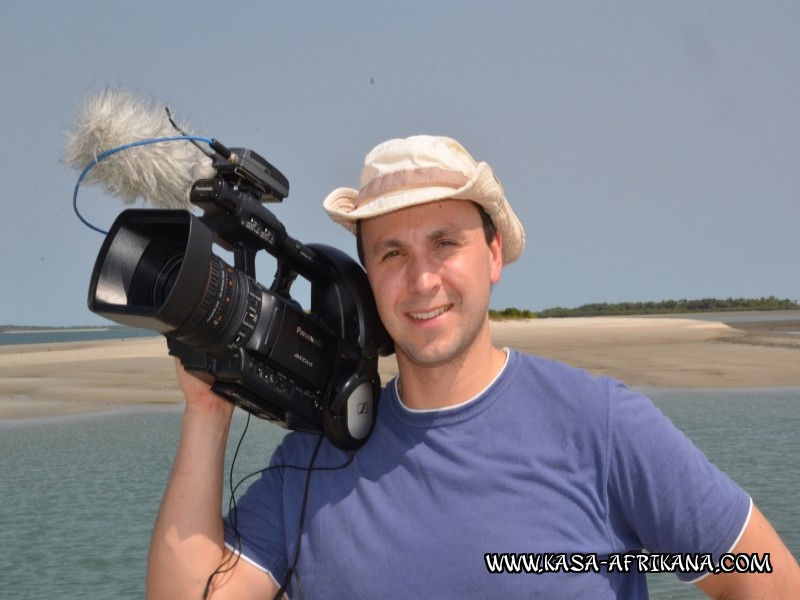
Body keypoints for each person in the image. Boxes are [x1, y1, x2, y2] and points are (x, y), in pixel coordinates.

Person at [146, 135, 800, 599]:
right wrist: (207, 412)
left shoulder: (600, 428)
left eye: (445, 244)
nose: (421, 278)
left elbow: (765, 578)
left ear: (493, 254)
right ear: (365, 277)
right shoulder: (313, 460)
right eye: (392, 253)